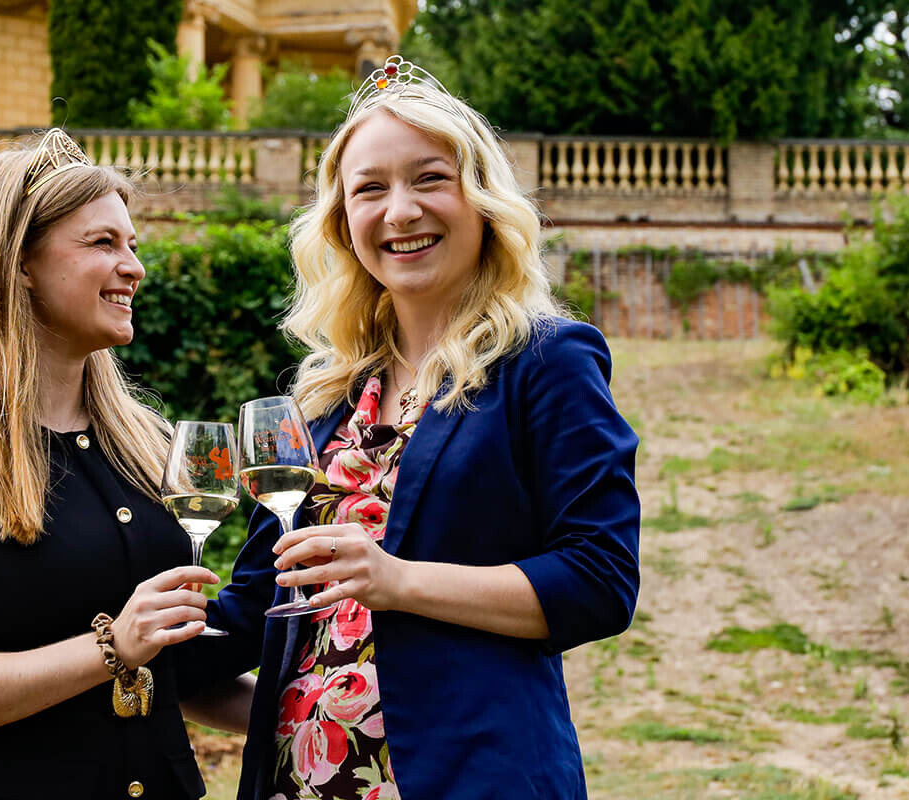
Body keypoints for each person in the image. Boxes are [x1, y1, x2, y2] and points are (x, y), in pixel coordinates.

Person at [182, 57, 642, 800]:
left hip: (472, 779)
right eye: (370, 189)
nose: (399, 211)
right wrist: (125, 640)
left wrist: (398, 581)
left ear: (483, 200)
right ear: (342, 222)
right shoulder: (326, 397)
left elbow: (600, 580)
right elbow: (257, 604)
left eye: (429, 178)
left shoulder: (547, 360)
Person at [0, 129, 226, 800]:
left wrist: (330, 717)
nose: (134, 267)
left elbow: (177, 666)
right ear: (19, 263)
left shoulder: (144, 441)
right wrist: (113, 648)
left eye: (133, 245)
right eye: (103, 244)